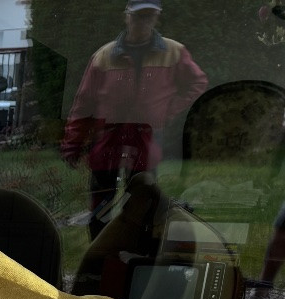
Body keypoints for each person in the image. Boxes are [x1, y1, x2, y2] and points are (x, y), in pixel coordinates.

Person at [61, 0, 208, 238]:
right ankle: (99, 258)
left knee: (141, 199)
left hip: (146, 137)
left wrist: (170, 109)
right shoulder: (104, 56)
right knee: (101, 203)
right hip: (108, 138)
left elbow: (198, 83)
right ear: (126, 17)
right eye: (139, 16)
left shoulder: (174, 52)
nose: (144, 22)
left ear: (157, 18)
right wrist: (72, 143)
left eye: (150, 16)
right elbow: (84, 103)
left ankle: (134, 254)